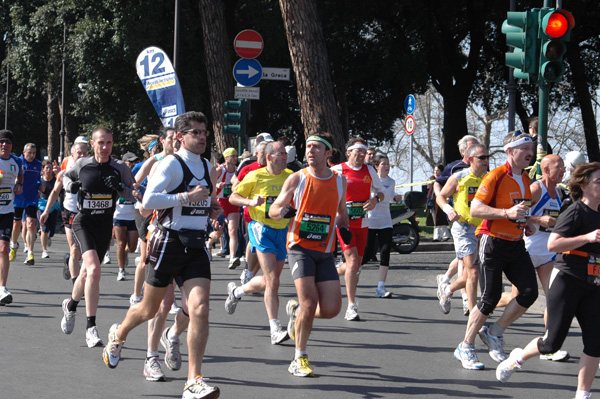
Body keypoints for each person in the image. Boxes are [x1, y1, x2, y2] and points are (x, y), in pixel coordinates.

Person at [102, 111, 222, 399]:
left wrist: (212, 210)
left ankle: (194, 380)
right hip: (167, 241)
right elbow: (148, 202)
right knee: (149, 309)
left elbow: (206, 199)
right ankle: (118, 336)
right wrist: (185, 198)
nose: (203, 137)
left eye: (205, 132)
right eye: (196, 132)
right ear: (180, 137)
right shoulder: (171, 164)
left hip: (195, 244)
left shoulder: (208, 165)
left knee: (200, 309)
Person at [496, 162, 600, 399]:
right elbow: (553, 244)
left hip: (593, 283)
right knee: (552, 343)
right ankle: (517, 358)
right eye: (599, 181)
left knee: (595, 343)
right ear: (584, 186)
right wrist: (586, 237)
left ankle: (582, 395)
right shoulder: (575, 211)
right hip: (568, 279)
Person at [453, 130, 539, 370]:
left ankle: (494, 331)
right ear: (510, 152)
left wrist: (528, 223)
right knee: (490, 296)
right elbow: (477, 209)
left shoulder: (525, 179)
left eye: (531, 150)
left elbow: (520, 210)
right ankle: (466, 346)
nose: (529, 154)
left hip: (516, 243)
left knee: (530, 292)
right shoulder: (494, 176)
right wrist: (506, 214)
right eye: (525, 149)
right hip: (491, 242)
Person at [269, 133, 349, 377]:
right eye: (308, 147)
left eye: (316, 147)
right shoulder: (297, 178)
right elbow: (273, 209)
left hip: (325, 251)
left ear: (328, 153)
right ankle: (299, 357)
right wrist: (281, 211)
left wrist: (345, 232)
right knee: (309, 301)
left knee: (332, 308)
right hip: (299, 248)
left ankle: (296, 312)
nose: (310, 151)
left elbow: (342, 211)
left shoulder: (339, 181)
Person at [59, 127, 136, 348]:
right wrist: (70, 186)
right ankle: (91, 327)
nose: (105, 147)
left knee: (85, 273)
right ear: (92, 144)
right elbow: (65, 177)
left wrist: (121, 188)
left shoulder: (119, 167)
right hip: (84, 223)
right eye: (101, 142)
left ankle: (71, 305)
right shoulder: (82, 164)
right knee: (93, 269)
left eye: (109, 143)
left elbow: (134, 192)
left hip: (104, 226)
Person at [225, 140, 293, 345]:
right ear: (270, 157)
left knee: (270, 281)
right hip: (261, 229)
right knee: (272, 280)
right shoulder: (255, 175)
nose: (284, 156)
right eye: (280, 153)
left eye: (285, 153)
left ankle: (237, 291)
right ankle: (275, 328)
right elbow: (233, 197)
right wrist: (250, 202)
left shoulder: (291, 176)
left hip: (282, 231)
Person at [521, 154, 570, 362]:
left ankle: (549, 346)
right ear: (546, 170)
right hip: (528, 250)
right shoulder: (535, 189)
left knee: (553, 297)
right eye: (559, 167)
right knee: (517, 298)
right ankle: (485, 312)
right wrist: (537, 219)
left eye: (564, 167)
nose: (563, 171)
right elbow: (519, 212)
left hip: (548, 253)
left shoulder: (559, 193)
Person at [331, 137, 385, 321]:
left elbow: (381, 192)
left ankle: (331, 272)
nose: (361, 155)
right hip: (344, 223)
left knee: (356, 264)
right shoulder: (338, 170)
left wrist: (375, 199)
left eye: (364, 152)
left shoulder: (369, 170)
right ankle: (351, 306)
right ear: (349, 152)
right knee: (353, 262)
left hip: (362, 223)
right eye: (358, 151)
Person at [435, 144, 488, 315]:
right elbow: (441, 196)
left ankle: (447, 290)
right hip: (463, 228)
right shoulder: (459, 177)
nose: (486, 161)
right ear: (471, 159)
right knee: (472, 270)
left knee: (470, 275)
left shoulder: (489, 179)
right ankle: (473, 314)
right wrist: (449, 210)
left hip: (482, 229)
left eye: (488, 157)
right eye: (482, 158)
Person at [40, 142, 88, 281]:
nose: (82, 155)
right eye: (79, 152)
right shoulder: (64, 173)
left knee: (83, 251)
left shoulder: (93, 171)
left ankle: (69, 261)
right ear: (72, 155)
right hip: (70, 212)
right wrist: (46, 211)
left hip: (87, 213)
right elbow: (55, 192)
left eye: (84, 153)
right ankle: (76, 285)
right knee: (74, 248)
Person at [360, 154, 402, 298]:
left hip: (385, 221)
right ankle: (355, 269)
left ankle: (381, 286)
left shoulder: (391, 181)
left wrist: (396, 197)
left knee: (385, 252)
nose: (386, 167)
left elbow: (388, 197)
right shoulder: (371, 180)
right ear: (376, 166)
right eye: (383, 164)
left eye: (388, 164)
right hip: (371, 221)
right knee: (367, 253)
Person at [0, 130, 24, 305]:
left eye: (7, 142)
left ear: (11, 145)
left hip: (7, 211)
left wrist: (19, 185)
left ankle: (2, 288)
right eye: (1, 142)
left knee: (3, 248)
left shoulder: (16, 162)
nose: (3, 145)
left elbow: (21, 174)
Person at [9, 143, 41, 265]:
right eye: (29, 153)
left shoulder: (38, 164)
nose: (32, 155)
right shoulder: (17, 162)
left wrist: (40, 185)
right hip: (18, 197)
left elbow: (38, 179)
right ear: (24, 152)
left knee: (31, 224)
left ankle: (30, 253)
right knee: (16, 223)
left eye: (34, 153)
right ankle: (14, 245)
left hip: (32, 197)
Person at [112, 152, 140, 281]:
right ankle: (121, 270)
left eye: (134, 162)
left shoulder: (135, 176)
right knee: (121, 243)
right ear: (124, 162)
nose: (133, 164)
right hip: (119, 215)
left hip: (132, 216)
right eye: (130, 162)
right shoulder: (116, 175)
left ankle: (125, 254)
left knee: (133, 247)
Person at [215, 148, 242, 268]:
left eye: (236, 156)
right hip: (220, 202)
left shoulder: (238, 170)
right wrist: (217, 185)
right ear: (226, 158)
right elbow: (209, 183)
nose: (236, 158)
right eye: (233, 156)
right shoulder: (220, 170)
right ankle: (208, 244)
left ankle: (232, 257)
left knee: (232, 230)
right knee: (218, 230)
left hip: (232, 202)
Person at [37, 160, 60, 259]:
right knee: (45, 228)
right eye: (47, 168)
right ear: (43, 169)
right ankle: (44, 250)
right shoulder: (40, 180)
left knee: (52, 230)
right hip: (41, 206)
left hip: (53, 206)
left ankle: (48, 237)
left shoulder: (55, 181)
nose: (49, 170)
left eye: (50, 168)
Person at [427, 164, 451, 241]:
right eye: (434, 171)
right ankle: (439, 236)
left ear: (442, 172)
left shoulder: (444, 180)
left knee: (440, 219)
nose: (436, 172)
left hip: (441, 202)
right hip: (432, 203)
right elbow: (429, 193)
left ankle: (443, 235)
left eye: (438, 171)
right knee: (435, 220)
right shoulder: (432, 180)